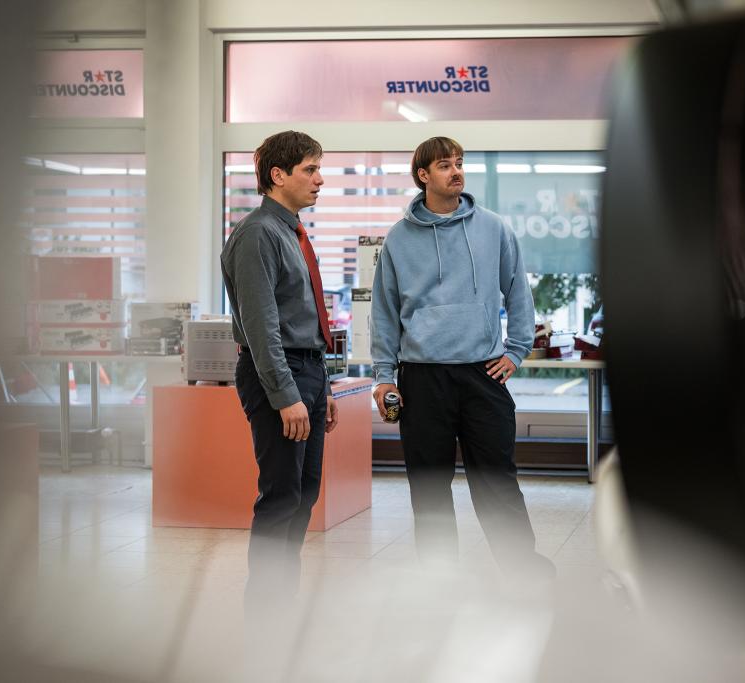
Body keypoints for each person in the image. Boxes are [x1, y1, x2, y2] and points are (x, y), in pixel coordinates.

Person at [370, 136, 554, 579]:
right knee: (429, 486)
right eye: (444, 165)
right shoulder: (398, 239)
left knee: (496, 480)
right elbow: (384, 311)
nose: (456, 171)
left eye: (459, 163)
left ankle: (522, 569)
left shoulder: (493, 228)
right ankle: (439, 578)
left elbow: (518, 291)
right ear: (423, 176)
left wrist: (517, 349)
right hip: (422, 377)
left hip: (482, 375)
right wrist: (383, 375)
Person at [221, 130, 338, 602]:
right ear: (278, 175)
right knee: (281, 495)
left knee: (304, 493)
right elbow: (261, 327)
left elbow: (303, 319)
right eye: (310, 170)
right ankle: (267, 608)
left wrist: (323, 386)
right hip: (278, 372)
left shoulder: (290, 232)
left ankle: (282, 597)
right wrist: (286, 395)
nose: (320, 179)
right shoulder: (257, 235)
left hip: (307, 370)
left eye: (318, 169)